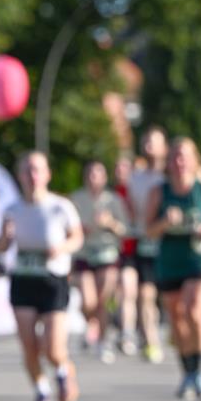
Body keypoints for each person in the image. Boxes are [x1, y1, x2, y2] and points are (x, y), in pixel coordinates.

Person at [145, 137, 201, 399]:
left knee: (194, 312)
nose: (180, 162)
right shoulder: (159, 192)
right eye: (175, 157)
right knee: (177, 318)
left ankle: (200, 372)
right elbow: (148, 231)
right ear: (168, 163)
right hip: (171, 259)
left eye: (185, 156)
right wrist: (164, 222)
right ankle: (187, 372)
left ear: (195, 160)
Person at [0, 151, 83, 401]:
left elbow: (77, 237)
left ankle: (63, 369)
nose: (32, 176)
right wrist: (6, 237)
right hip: (23, 278)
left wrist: (62, 248)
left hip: (53, 280)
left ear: (47, 174)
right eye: (27, 170)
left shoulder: (60, 206)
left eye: (37, 170)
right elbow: (1, 248)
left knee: (53, 347)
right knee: (29, 345)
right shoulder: (12, 210)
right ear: (20, 176)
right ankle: (41, 391)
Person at [71, 161, 128, 363]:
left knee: (103, 301)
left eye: (99, 174)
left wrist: (110, 223)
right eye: (91, 173)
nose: (94, 178)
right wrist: (80, 230)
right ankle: (91, 325)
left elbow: (125, 230)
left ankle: (103, 342)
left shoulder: (114, 200)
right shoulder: (77, 199)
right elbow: (68, 227)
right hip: (84, 253)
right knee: (88, 301)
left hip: (107, 253)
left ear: (104, 178)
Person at [129, 126, 168, 362]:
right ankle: (152, 342)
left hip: (170, 243)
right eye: (145, 142)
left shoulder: (172, 175)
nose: (148, 147)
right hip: (145, 241)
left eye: (153, 142)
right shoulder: (136, 177)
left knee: (169, 298)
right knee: (145, 295)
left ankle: (173, 330)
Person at [112, 155, 139, 356]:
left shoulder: (138, 193)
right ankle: (126, 332)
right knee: (124, 292)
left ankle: (140, 331)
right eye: (118, 169)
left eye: (124, 168)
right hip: (118, 250)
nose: (121, 173)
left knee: (141, 295)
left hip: (139, 249)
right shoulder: (112, 195)